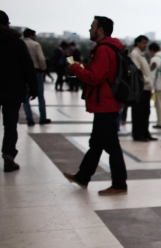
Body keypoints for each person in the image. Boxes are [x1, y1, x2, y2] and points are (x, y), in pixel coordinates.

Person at [62, 16, 128, 196]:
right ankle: (83, 176)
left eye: (92, 27)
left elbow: (95, 77)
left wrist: (75, 68)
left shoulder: (104, 49)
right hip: (105, 103)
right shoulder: (108, 48)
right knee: (96, 144)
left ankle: (120, 184)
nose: (90, 29)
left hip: (105, 103)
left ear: (100, 30)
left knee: (111, 146)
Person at [0, 11, 38, 172]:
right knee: (10, 125)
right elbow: (27, 67)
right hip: (12, 90)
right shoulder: (16, 42)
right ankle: (8, 156)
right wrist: (33, 87)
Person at [129, 35, 156, 141]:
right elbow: (137, 71)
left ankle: (144, 133)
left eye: (146, 43)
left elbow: (143, 70)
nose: (146, 45)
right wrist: (147, 81)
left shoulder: (141, 55)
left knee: (145, 112)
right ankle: (138, 134)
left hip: (145, 88)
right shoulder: (135, 54)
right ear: (138, 43)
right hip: (140, 88)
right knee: (139, 112)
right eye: (144, 43)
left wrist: (151, 68)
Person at [22, 28, 51, 126]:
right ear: (31, 35)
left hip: (24, 73)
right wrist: (43, 69)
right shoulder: (36, 44)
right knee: (40, 96)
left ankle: (29, 119)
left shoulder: (21, 44)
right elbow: (41, 59)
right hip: (36, 72)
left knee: (26, 98)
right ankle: (42, 117)